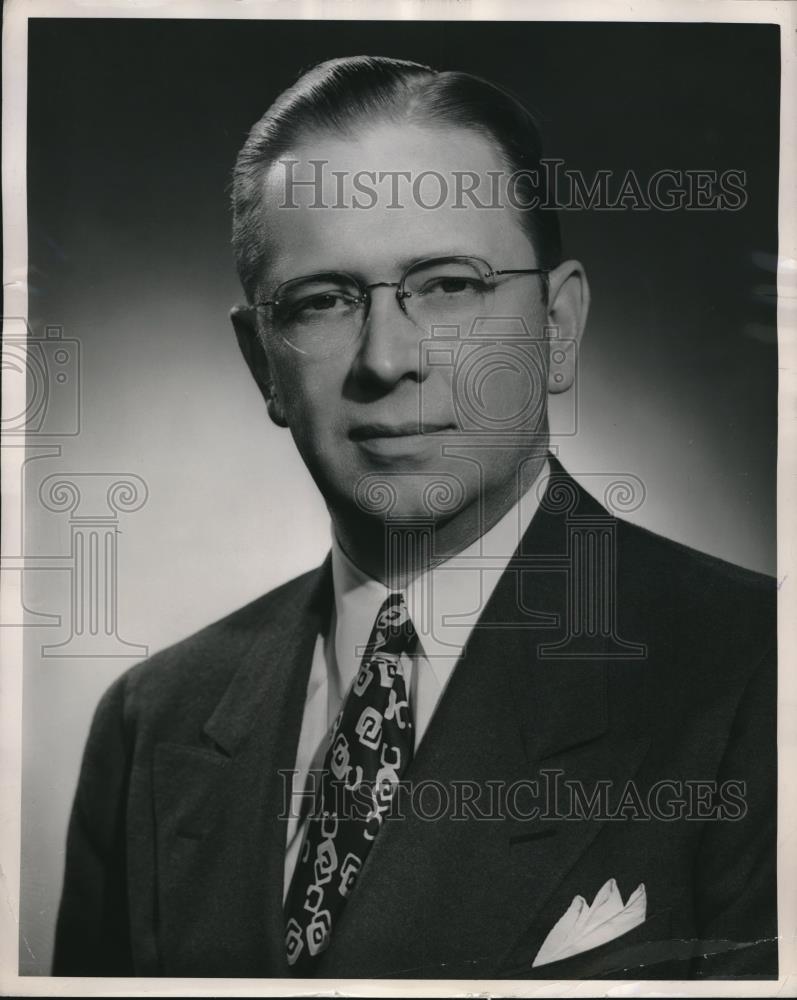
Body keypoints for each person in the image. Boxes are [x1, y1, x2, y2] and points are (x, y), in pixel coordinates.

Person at [52, 55, 777, 980]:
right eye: (323, 301)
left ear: (556, 327)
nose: (387, 358)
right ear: (260, 362)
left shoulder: (759, 678)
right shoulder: (151, 724)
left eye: (447, 285)